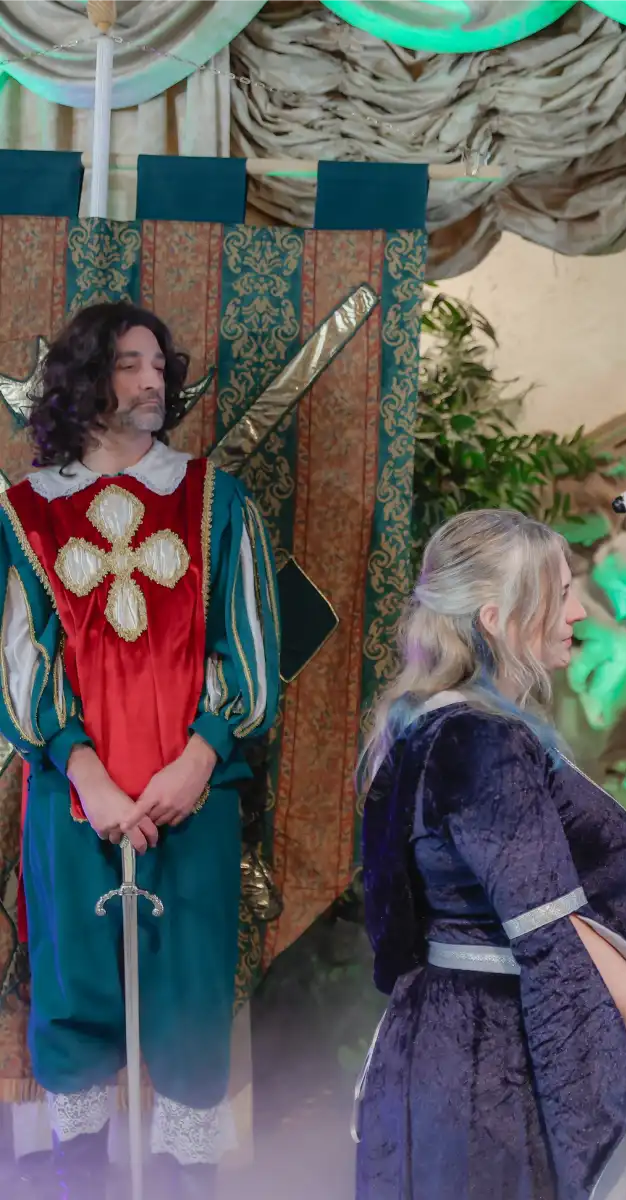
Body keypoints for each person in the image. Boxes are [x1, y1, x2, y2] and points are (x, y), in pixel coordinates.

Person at [356, 509, 626, 1200]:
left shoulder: (432, 722)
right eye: (561, 593)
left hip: (449, 1039)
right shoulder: (484, 743)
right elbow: (555, 934)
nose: (579, 612)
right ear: (498, 618)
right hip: (492, 1062)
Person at [0, 302, 280, 1198]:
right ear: (86, 377)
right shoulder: (26, 516)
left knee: (191, 1003)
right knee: (75, 996)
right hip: (75, 801)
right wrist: (88, 777)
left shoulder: (216, 501)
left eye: (159, 363)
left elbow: (246, 649)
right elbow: (22, 661)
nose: (153, 380)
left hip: (191, 798)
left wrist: (197, 761)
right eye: (129, 363)